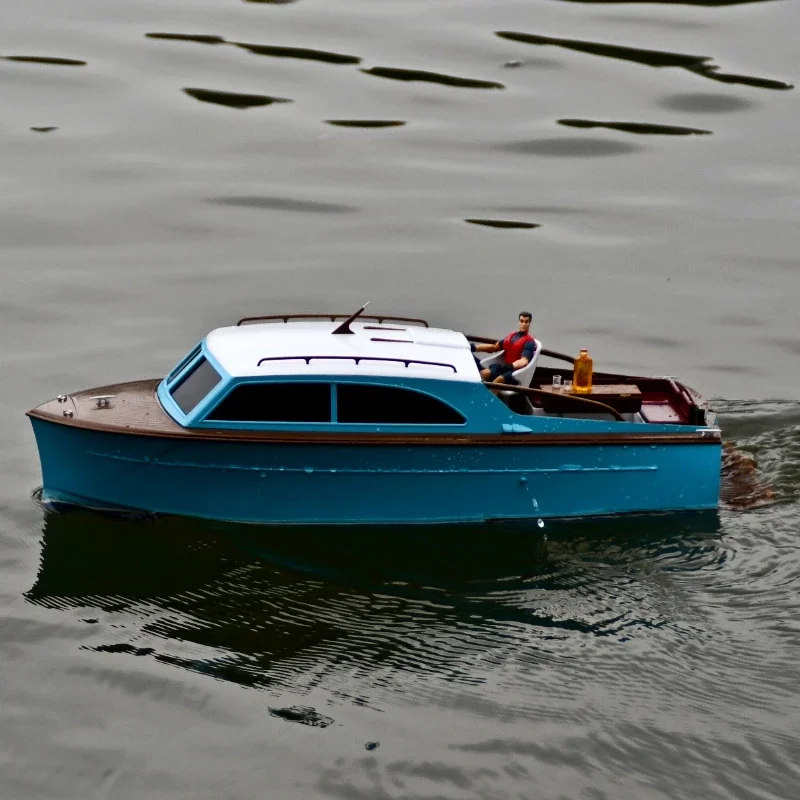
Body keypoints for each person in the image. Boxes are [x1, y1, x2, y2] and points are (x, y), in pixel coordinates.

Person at [471, 311, 536, 385]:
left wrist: (511, 366)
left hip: (516, 373)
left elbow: (524, 361)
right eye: (522, 321)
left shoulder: (529, 342)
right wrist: (475, 347)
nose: (524, 324)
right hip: (504, 368)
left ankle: (490, 396)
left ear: (529, 323)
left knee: (499, 380)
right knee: (484, 373)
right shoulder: (511, 336)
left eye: (526, 322)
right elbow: (494, 347)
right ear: (519, 322)